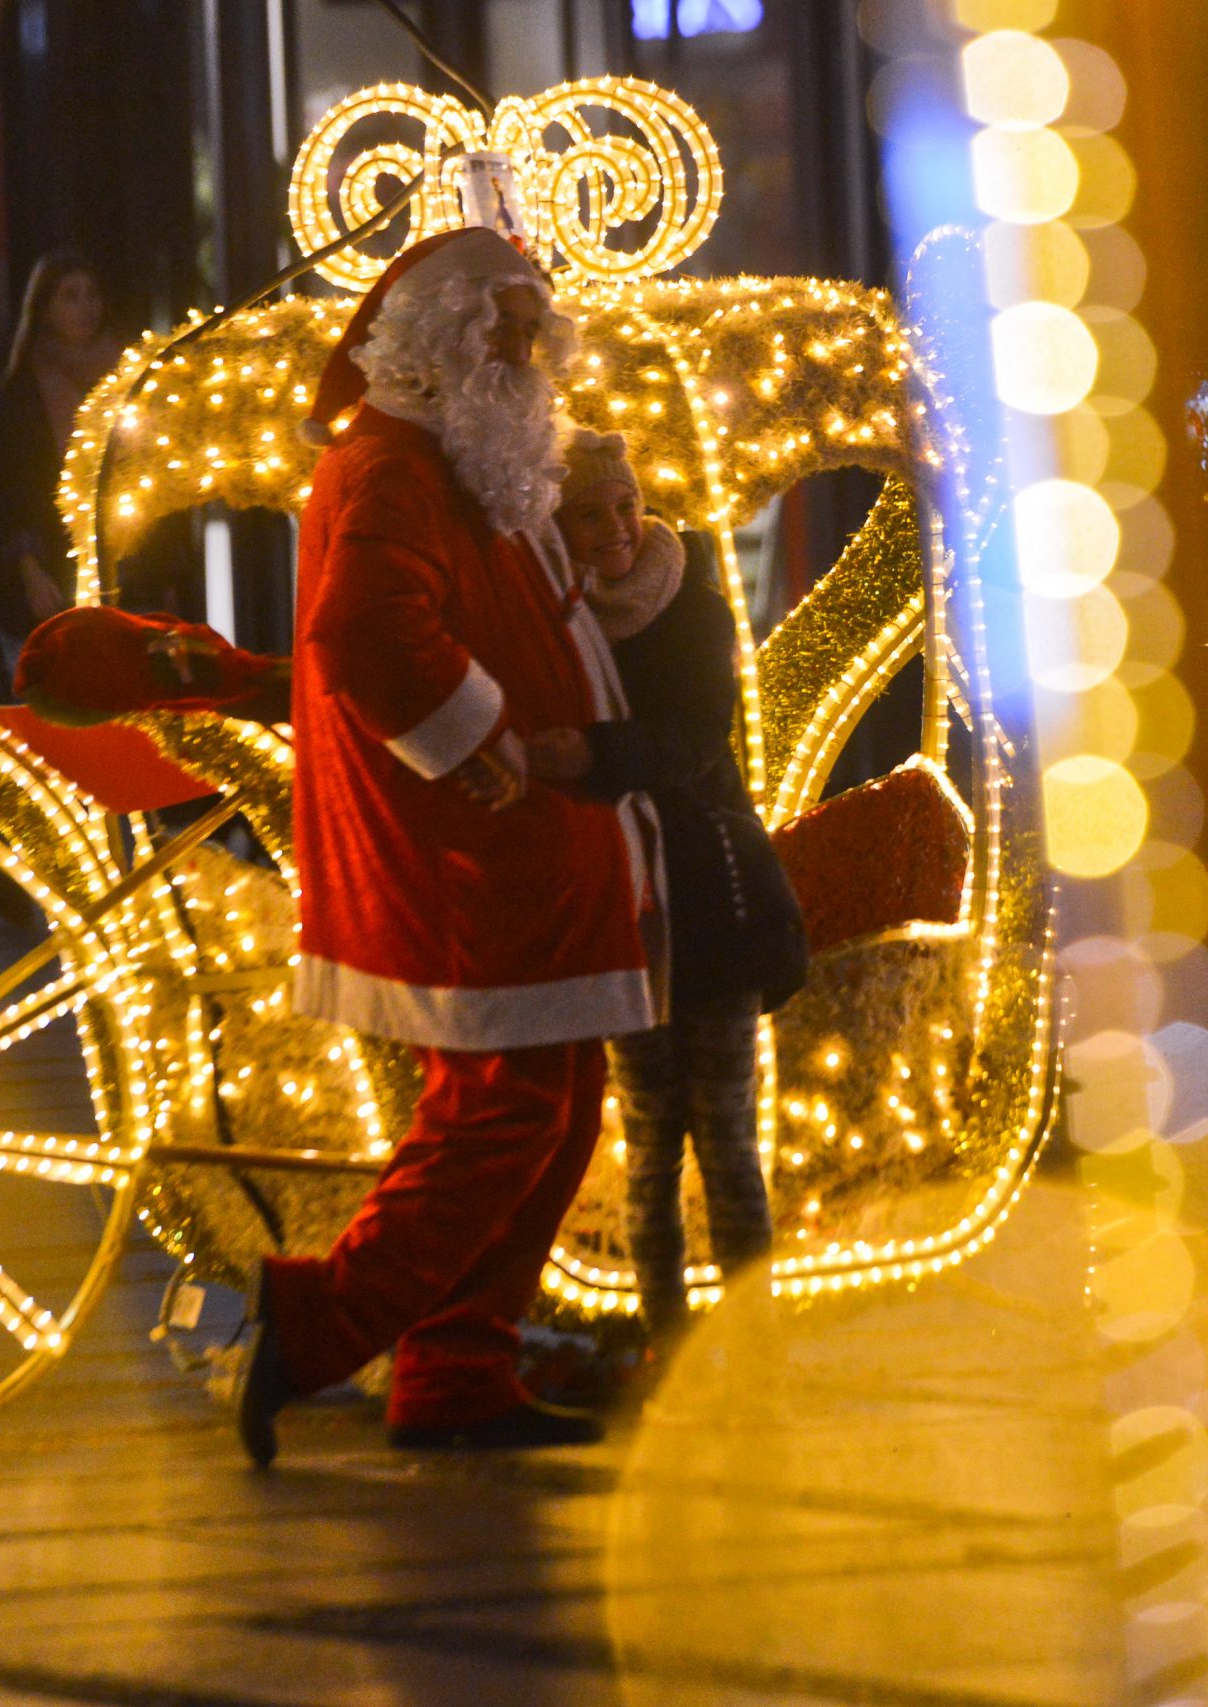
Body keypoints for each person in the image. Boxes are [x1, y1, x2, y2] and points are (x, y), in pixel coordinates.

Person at [236, 228, 656, 1464]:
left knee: (552, 1105)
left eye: (535, 333)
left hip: (527, 847)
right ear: (444, 341)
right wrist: (488, 744)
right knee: (502, 1113)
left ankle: (458, 1364)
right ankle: (320, 1323)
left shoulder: (464, 461)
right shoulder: (395, 467)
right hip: (472, 854)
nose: (530, 356)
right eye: (506, 333)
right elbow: (364, 630)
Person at [539, 429, 808, 1350]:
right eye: (590, 515)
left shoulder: (688, 606)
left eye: (625, 506)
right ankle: (669, 1346)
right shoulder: (557, 621)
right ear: (558, 527)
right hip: (628, 910)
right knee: (650, 1150)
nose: (616, 528)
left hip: (712, 901)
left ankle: (748, 1348)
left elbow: (695, 734)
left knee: (728, 1139)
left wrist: (594, 755)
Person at [0, 252, 118, 675]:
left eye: (92, 295)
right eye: (70, 296)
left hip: (121, 562)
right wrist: (28, 566)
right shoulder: (25, 389)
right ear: (45, 309)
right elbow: (8, 487)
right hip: (53, 567)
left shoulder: (123, 375)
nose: (85, 307)